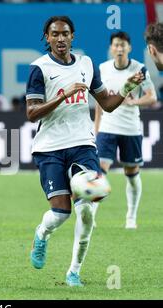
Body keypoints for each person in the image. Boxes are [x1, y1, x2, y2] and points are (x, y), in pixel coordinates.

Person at [26, 16, 144, 287]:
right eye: (55, 34)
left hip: (82, 144)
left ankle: (74, 272)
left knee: (87, 211)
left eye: (65, 34)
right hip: (50, 148)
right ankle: (42, 235)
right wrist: (61, 96)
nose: (60, 39)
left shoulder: (86, 64)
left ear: (73, 36)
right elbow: (31, 113)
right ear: (47, 37)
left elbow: (107, 103)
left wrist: (127, 86)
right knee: (60, 214)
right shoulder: (39, 68)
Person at [94, 32, 157, 229]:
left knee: (131, 173)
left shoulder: (139, 69)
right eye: (116, 45)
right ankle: (92, 214)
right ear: (111, 48)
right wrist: (96, 127)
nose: (119, 49)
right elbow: (99, 101)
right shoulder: (103, 69)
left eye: (123, 45)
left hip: (130, 128)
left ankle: (131, 217)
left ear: (129, 48)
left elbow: (152, 97)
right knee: (100, 171)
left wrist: (134, 101)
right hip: (107, 127)